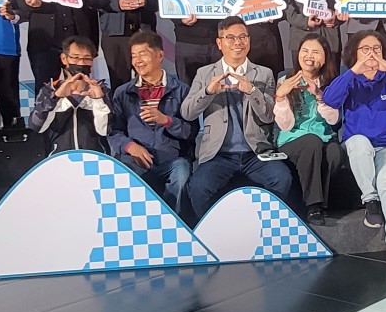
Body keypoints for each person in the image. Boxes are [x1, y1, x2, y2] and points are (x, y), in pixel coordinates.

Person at [181, 17, 293, 218]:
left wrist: (252, 90)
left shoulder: (264, 73)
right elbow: (187, 112)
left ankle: (265, 227)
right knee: (198, 187)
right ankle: (213, 232)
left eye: (243, 37)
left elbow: (269, 116)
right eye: (230, 38)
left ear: (249, 40)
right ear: (219, 43)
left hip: (255, 152)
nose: (237, 42)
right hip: (218, 154)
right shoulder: (205, 73)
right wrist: (208, 91)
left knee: (281, 178)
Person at [321, 31, 386, 267]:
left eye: (376, 49)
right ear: (355, 53)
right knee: (359, 141)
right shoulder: (350, 78)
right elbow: (330, 100)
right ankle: (371, 200)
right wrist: (354, 69)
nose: (371, 53)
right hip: (357, 146)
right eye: (365, 49)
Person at [109, 31, 194, 214]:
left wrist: (166, 120)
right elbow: (114, 131)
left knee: (181, 175)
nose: (138, 61)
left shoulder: (181, 90)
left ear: (160, 55)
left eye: (143, 54)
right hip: (135, 160)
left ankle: (173, 222)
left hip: (172, 160)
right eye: (134, 56)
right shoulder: (123, 93)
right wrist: (130, 146)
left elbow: (190, 132)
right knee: (122, 176)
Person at [275, 34, 343, 224]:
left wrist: (320, 96)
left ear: (325, 58)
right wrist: (281, 97)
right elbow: (285, 125)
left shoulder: (331, 83)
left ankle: (321, 204)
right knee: (311, 141)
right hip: (292, 139)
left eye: (315, 52)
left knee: (335, 153)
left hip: (323, 138)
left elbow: (334, 120)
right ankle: (313, 206)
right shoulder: (285, 81)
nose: (309, 56)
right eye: (305, 51)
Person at [29, 36, 111, 154]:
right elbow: (36, 125)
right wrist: (56, 97)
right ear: (64, 59)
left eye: (87, 58)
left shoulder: (102, 91)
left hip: (94, 159)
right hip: (59, 159)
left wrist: (99, 100)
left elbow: (107, 130)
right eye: (76, 58)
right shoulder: (49, 90)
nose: (81, 63)